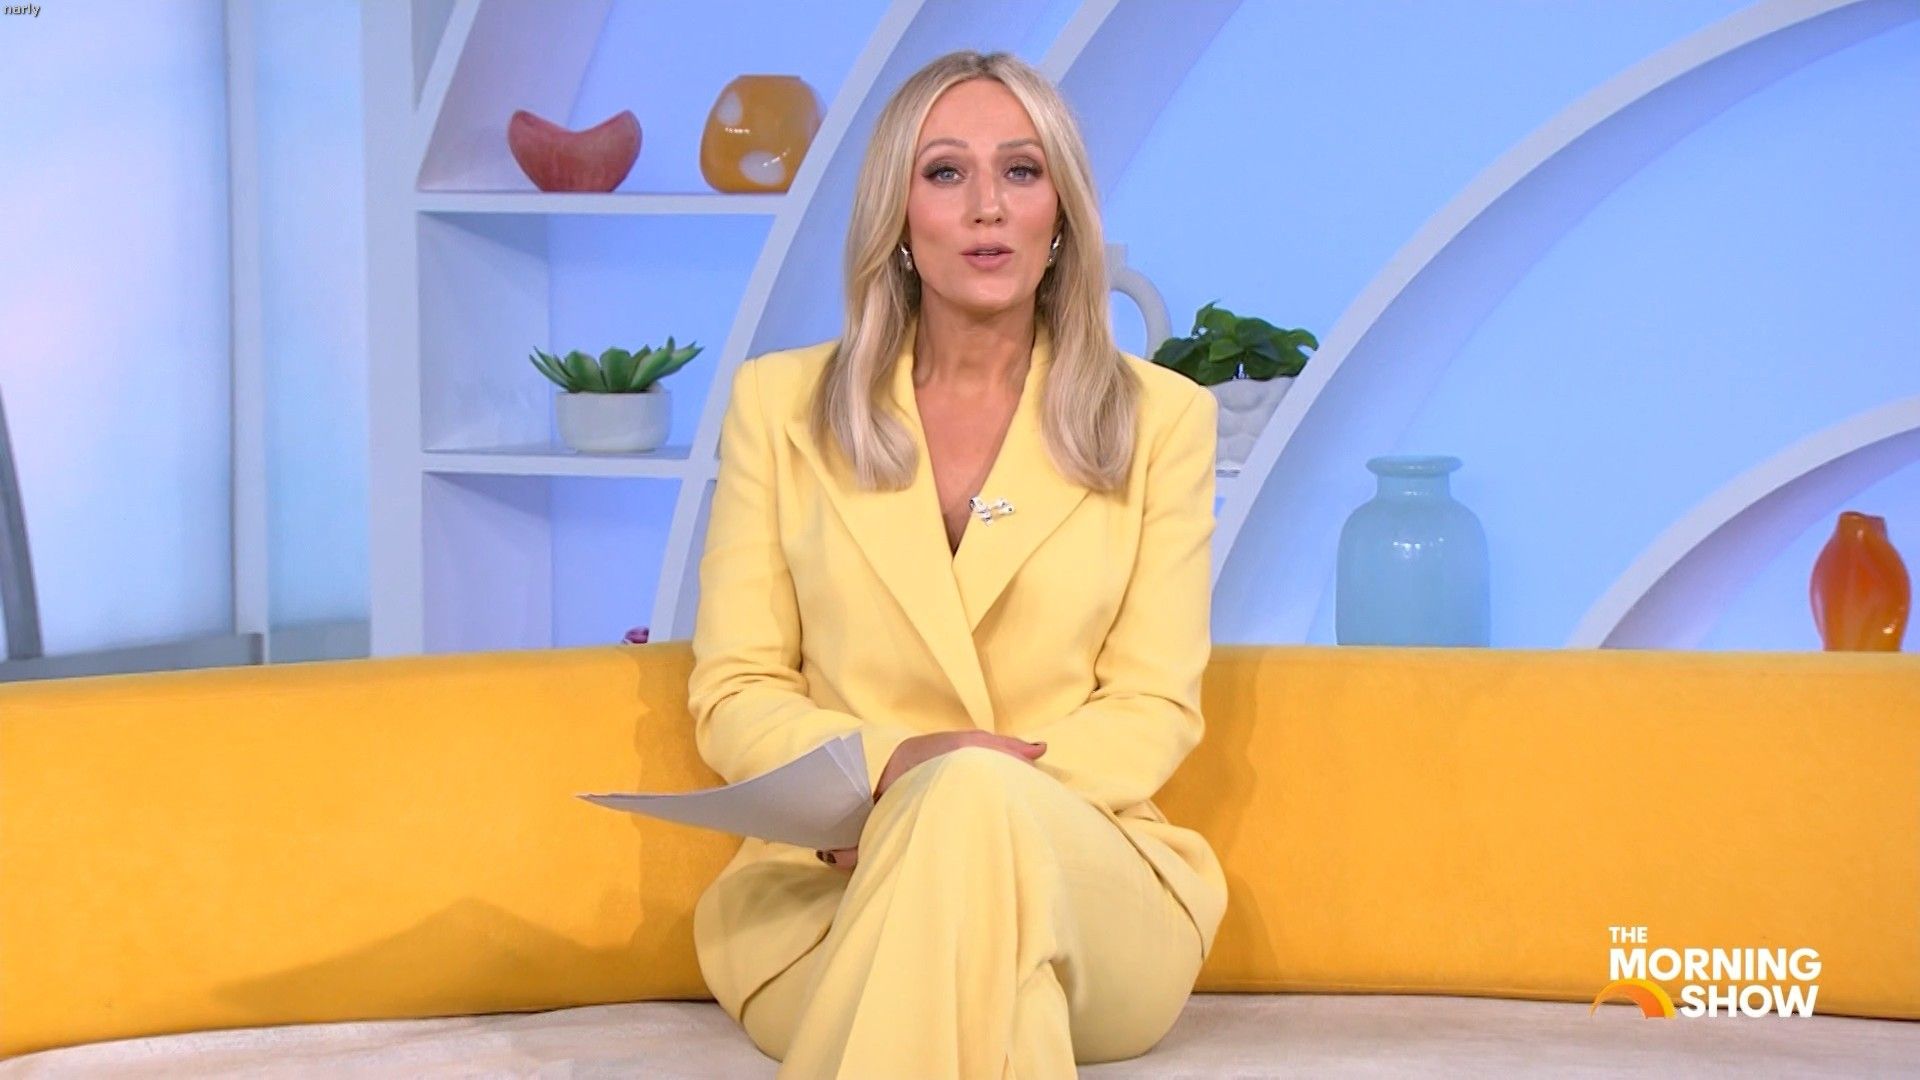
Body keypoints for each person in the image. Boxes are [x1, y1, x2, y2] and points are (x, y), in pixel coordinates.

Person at [686, 48, 1227, 1078]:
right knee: (998, 992)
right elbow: (735, 691)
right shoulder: (778, 407)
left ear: (1061, 212)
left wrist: (945, 796)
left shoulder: (1164, 421)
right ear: (896, 214)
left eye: (1021, 171)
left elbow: (1151, 707)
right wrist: (890, 775)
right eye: (945, 172)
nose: (988, 206)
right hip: (827, 890)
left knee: (972, 803)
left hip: (1088, 884)